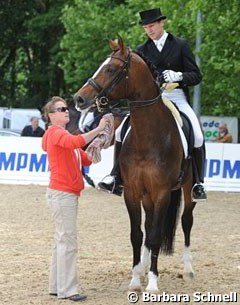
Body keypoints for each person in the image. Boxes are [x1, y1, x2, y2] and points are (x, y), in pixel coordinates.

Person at [98, 7, 207, 201]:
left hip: (176, 95)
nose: (149, 30)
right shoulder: (141, 50)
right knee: (120, 131)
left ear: (161, 23)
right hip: (151, 100)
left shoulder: (180, 45)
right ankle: (116, 176)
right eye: (146, 27)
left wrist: (179, 76)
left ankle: (198, 183)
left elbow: (196, 75)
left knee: (197, 135)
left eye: (152, 25)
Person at [42, 96, 108, 301]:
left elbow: (87, 157)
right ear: (52, 115)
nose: (66, 111)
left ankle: (56, 286)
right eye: (61, 109)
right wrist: (98, 129)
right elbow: (75, 142)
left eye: (66, 108)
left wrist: (99, 143)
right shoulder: (55, 133)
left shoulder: (62, 136)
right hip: (62, 194)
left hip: (64, 193)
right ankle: (68, 290)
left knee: (61, 241)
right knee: (67, 242)